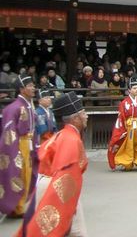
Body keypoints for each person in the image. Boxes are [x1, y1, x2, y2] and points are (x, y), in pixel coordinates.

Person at [17, 91, 89, 236]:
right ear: (75, 119)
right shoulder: (70, 139)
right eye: (83, 112)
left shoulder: (64, 134)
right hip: (54, 184)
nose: (86, 115)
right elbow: (66, 173)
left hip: (50, 181)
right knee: (72, 230)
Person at [0, 75, 39, 219]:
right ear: (22, 89)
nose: (33, 88)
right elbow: (9, 132)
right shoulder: (14, 108)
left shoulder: (28, 106)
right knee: (18, 174)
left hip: (28, 142)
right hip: (19, 144)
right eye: (30, 86)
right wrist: (13, 150)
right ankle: (16, 206)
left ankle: (22, 204)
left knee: (28, 174)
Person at [107, 79, 137, 171]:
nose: (136, 90)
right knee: (128, 146)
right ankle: (127, 164)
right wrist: (122, 129)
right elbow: (121, 117)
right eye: (134, 88)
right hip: (128, 127)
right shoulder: (124, 103)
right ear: (129, 90)